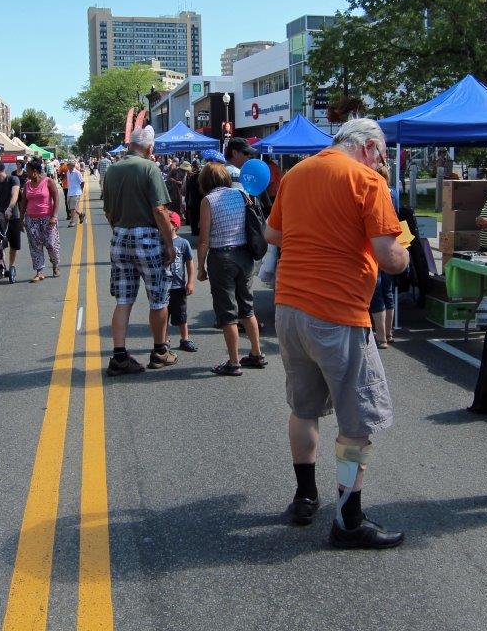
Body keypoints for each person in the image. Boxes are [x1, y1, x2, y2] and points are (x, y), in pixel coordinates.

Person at [265, 118, 408, 549]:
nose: (382, 164)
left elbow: (272, 232)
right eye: (381, 156)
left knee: (304, 409)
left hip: (290, 307)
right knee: (356, 422)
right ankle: (348, 517)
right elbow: (389, 257)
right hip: (338, 312)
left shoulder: (297, 173)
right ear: (368, 149)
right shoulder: (367, 180)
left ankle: (305, 498)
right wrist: (405, 251)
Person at [101, 126, 177, 375]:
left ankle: (119, 356)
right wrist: (169, 243)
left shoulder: (112, 169)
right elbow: (160, 210)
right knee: (158, 298)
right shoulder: (149, 168)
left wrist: (119, 229)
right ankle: (159, 351)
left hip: (120, 236)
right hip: (147, 238)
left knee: (123, 300)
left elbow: (109, 211)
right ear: (149, 147)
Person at [198, 163, 266, 376]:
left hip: (222, 257)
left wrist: (200, 267)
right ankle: (256, 353)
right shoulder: (242, 194)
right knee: (247, 307)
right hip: (244, 256)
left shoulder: (208, 201)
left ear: (205, 181)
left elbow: (203, 240)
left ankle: (234, 361)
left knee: (227, 312)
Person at [369, 164, 398, 349]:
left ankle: (381, 337)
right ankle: (388, 332)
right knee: (387, 290)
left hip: (376, 244)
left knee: (377, 291)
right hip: (392, 243)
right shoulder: (393, 193)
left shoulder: (375, 192)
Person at [21, 160, 61, 282]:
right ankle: (39, 271)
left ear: (35, 172)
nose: (25, 173)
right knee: (35, 246)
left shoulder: (48, 181)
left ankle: (55, 265)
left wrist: (54, 216)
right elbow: (23, 202)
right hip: (31, 219)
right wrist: (21, 219)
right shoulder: (27, 184)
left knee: (51, 244)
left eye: (27, 170)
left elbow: (56, 198)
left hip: (47, 218)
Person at [163, 211, 197, 353]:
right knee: (163, 315)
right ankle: (163, 341)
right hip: (163, 287)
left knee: (181, 315)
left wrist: (190, 282)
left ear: (175, 226)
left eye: (168, 224)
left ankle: (185, 339)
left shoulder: (183, 243)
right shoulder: (160, 242)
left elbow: (189, 263)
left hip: (178, 287)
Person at [66, 161, 85, 227]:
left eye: (69, 165)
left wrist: (81, 190)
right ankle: (81, 214)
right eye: (67, 164)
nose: (67, 166)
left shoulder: (77, 173)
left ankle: (72, 221)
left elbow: (82, 182)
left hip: (76, 192)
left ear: (73, 166)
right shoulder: (68, 172)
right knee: (70, 208)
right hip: (69, 192)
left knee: (72, 208)